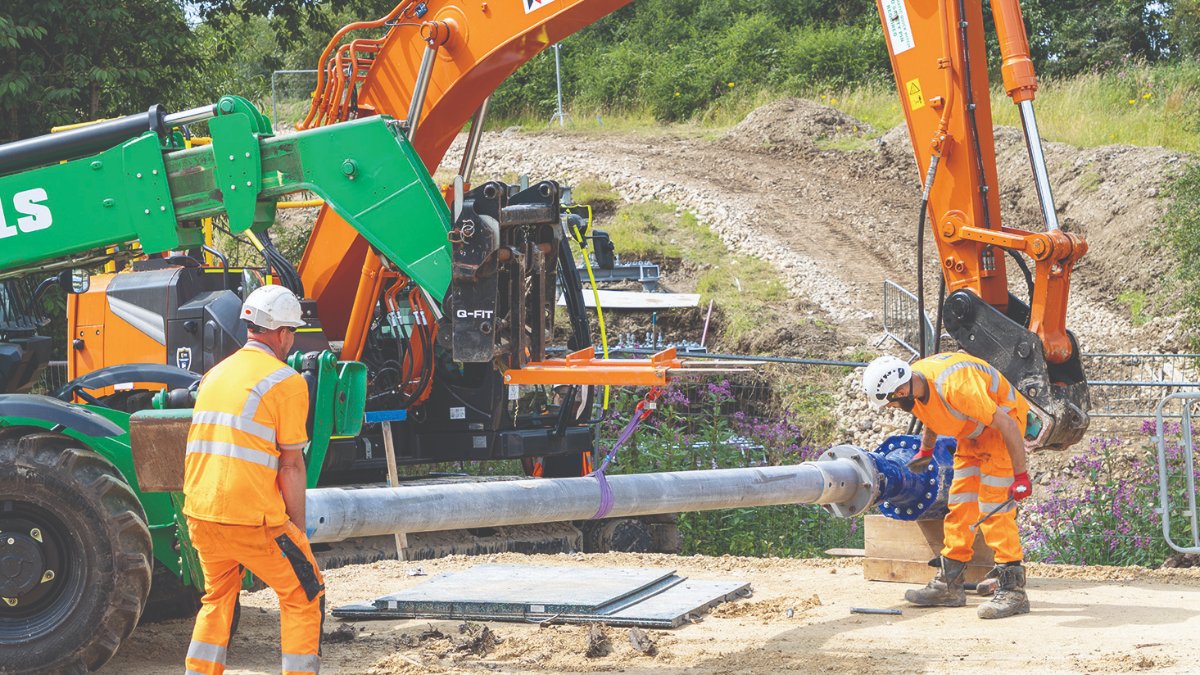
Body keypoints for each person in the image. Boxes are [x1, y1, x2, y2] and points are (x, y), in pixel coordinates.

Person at [182, 285, 324, 674]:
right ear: (280, 333)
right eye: (292, 332)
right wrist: (298, 532)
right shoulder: (286, 382)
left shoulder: (214, 375)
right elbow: (291, 466)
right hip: (252, 519)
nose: (291, 341)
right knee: (303, 592)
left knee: (218, 596)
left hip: (201, 514)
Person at [862, 352, 1033, 619]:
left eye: (891, 403)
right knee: (960, 506)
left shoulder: (958, 387)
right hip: (972, 433)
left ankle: (1013, 591)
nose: (892, 408)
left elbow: (1008, 425)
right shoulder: (916, 385)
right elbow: (932, 415)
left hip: (1002, 429)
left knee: (993, 507)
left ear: (900, 390)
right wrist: (925, 451)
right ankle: (950, 586)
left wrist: (1021, 476)